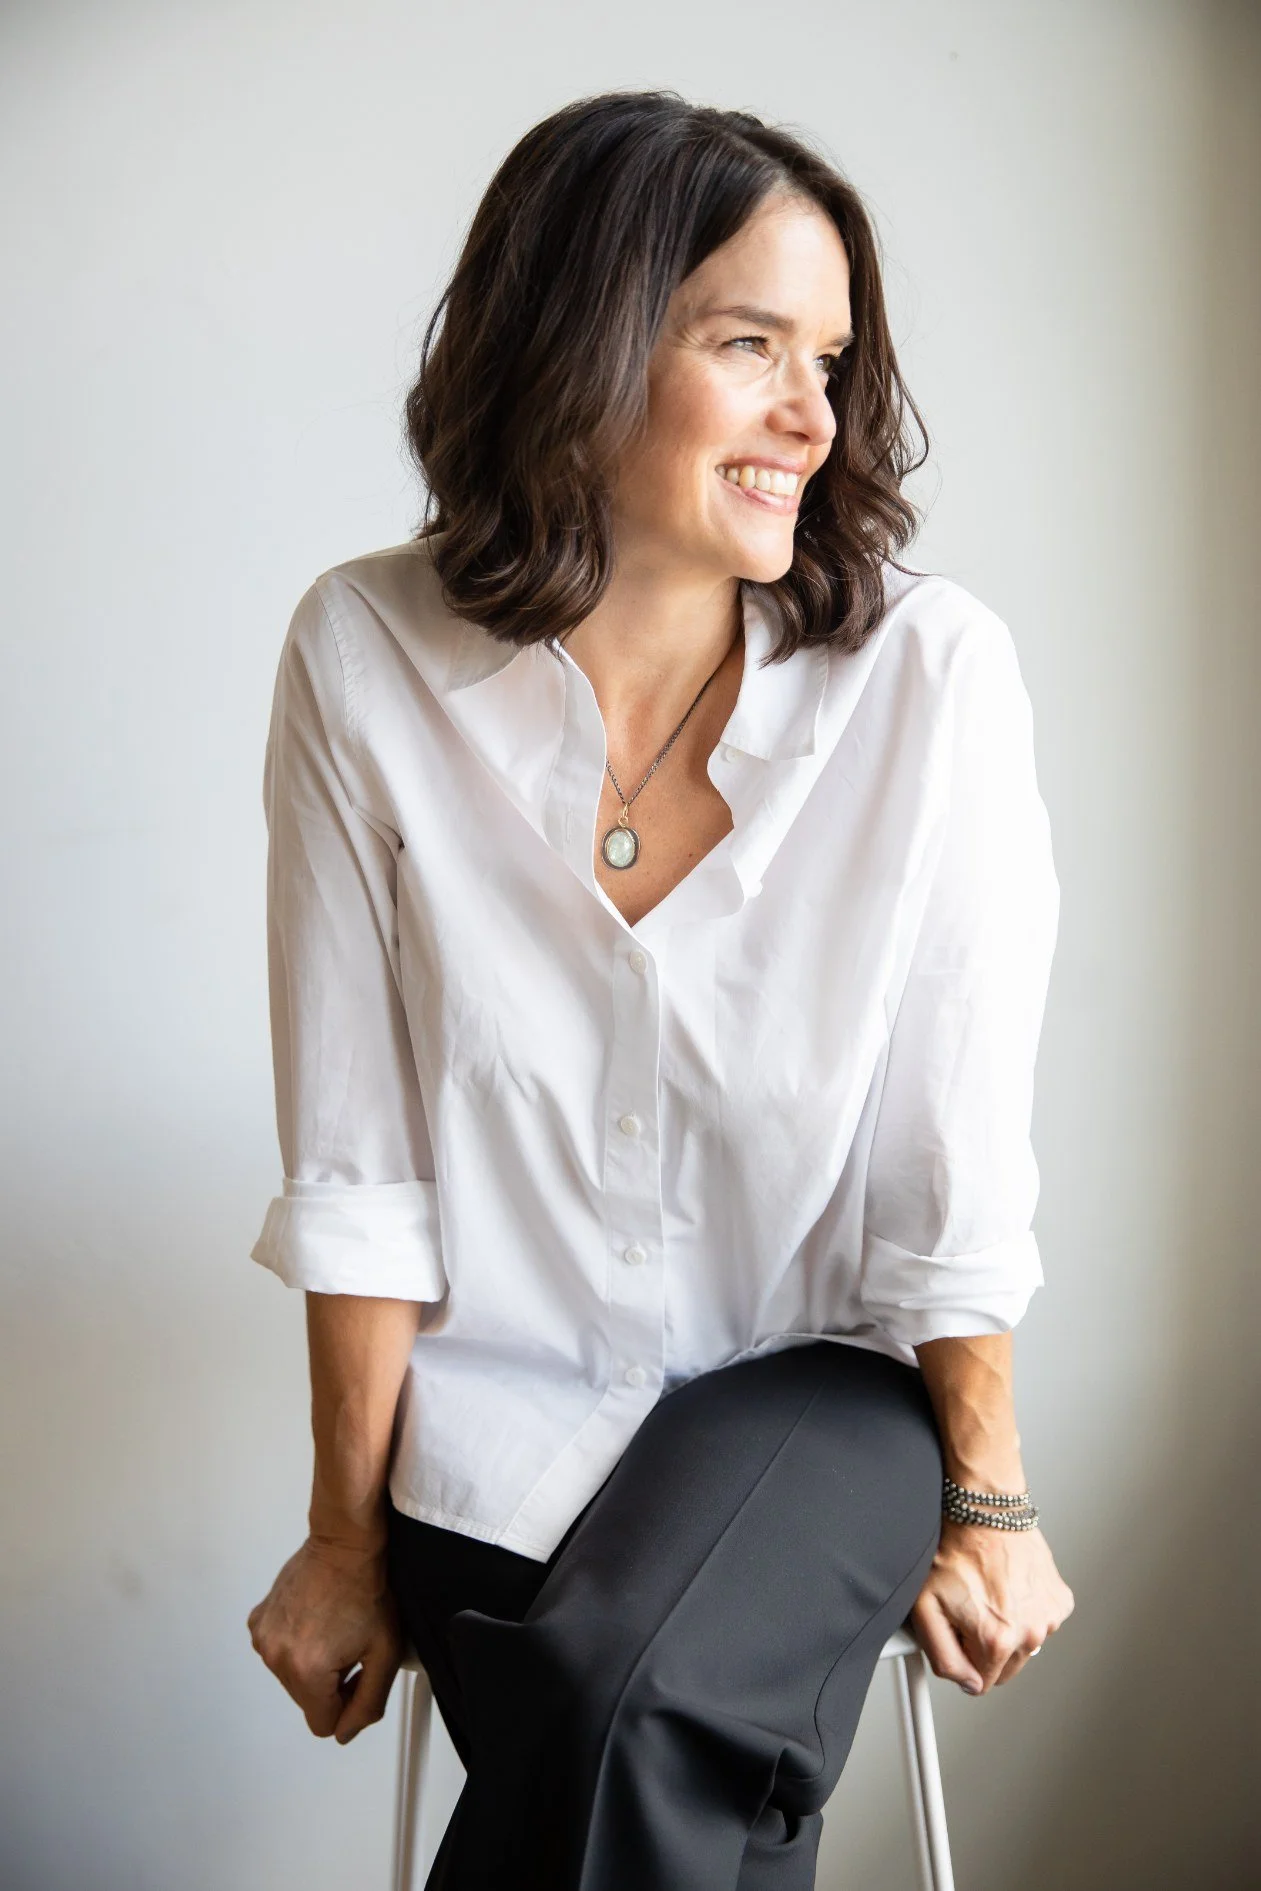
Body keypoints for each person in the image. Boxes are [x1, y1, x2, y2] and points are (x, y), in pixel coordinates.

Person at [246, 89, 1074, 1889]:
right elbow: (361, 1169)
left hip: (821, 1401)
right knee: (648, 1741)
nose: (814, 414)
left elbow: (951, 1159)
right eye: (751, 344)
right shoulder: (364, 660)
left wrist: (993, 1499)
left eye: (833, 358)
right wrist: (338, 1536)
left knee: (614, 1697)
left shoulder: (931, 682)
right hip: (489, 1441)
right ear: (581, 349)